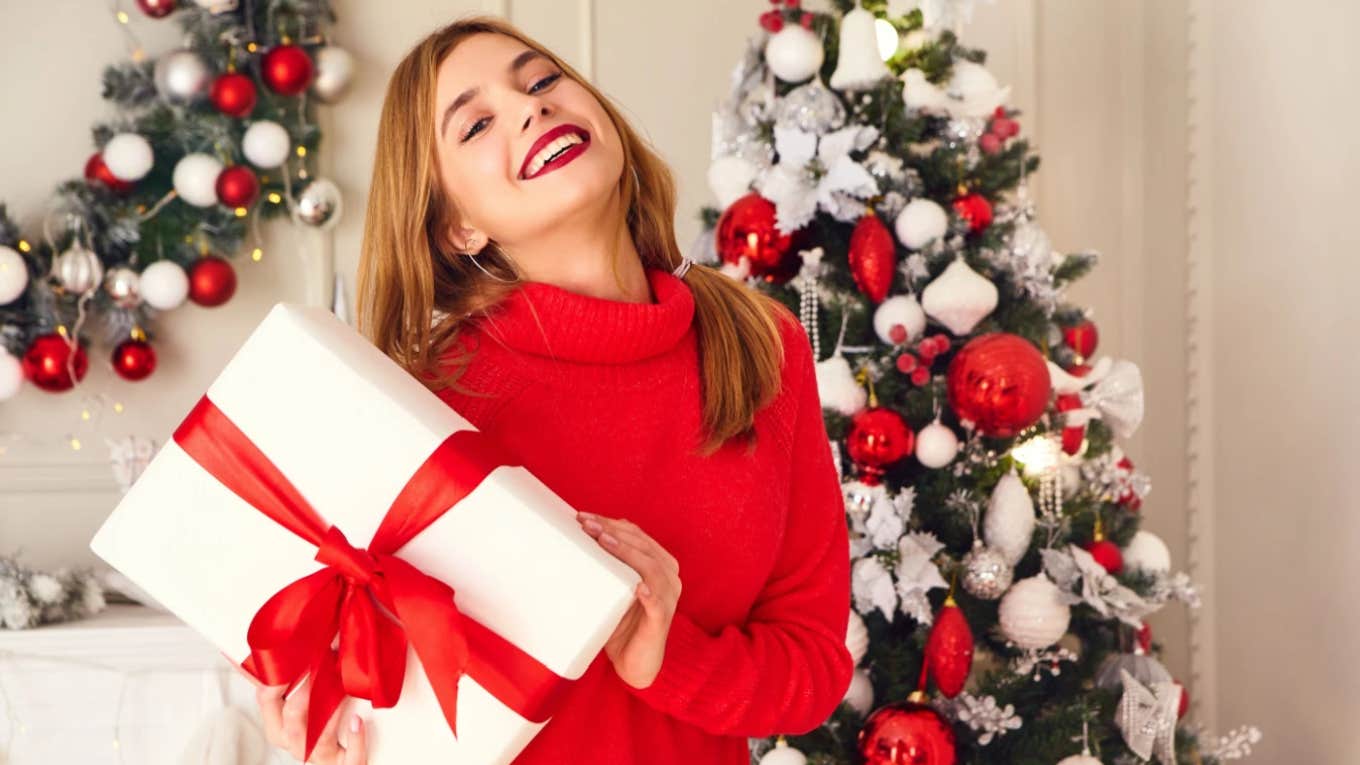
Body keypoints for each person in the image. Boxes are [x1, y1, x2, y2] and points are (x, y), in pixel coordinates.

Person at [240, 14, 853, 764]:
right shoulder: (418, 401)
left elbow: (814, 668)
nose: (533, 106)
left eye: (541, 81)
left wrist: (666, 657)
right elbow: (368, 677)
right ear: (455, 227)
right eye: (475, 125)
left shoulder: (763, 347)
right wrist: (320, 710)